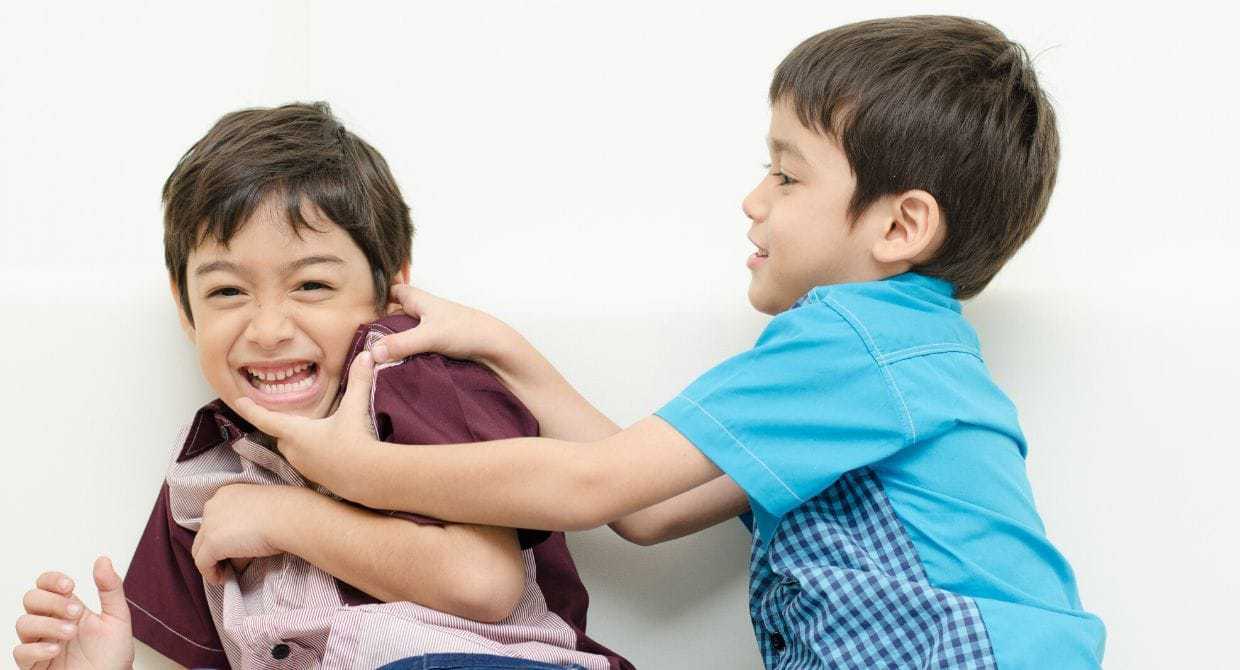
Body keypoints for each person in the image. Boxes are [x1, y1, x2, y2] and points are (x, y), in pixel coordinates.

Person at [230, 17, 1106, 669]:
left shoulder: (854, 340)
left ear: (900, 226)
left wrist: (351, 473)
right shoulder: (886, 362)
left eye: (787, 174)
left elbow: (589, 484)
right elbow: (646, 511)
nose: (754, 199)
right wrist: (504, 350)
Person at [12, 102, 628, 670]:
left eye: (311, 285)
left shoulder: (415, 384)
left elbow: (482, 585)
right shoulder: (202, 477)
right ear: (185, 309)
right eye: (227, 291)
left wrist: (283, 518)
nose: (269, 328)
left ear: (391, 289)